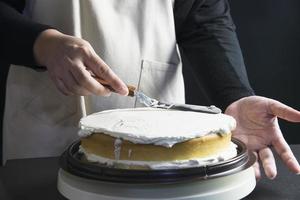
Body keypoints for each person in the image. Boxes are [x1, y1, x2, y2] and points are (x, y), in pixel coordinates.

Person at [0, 0, 299, 181]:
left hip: (161, 147)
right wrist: (42, 44)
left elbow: (202, 17)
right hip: (44, 126)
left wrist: (236, 94)